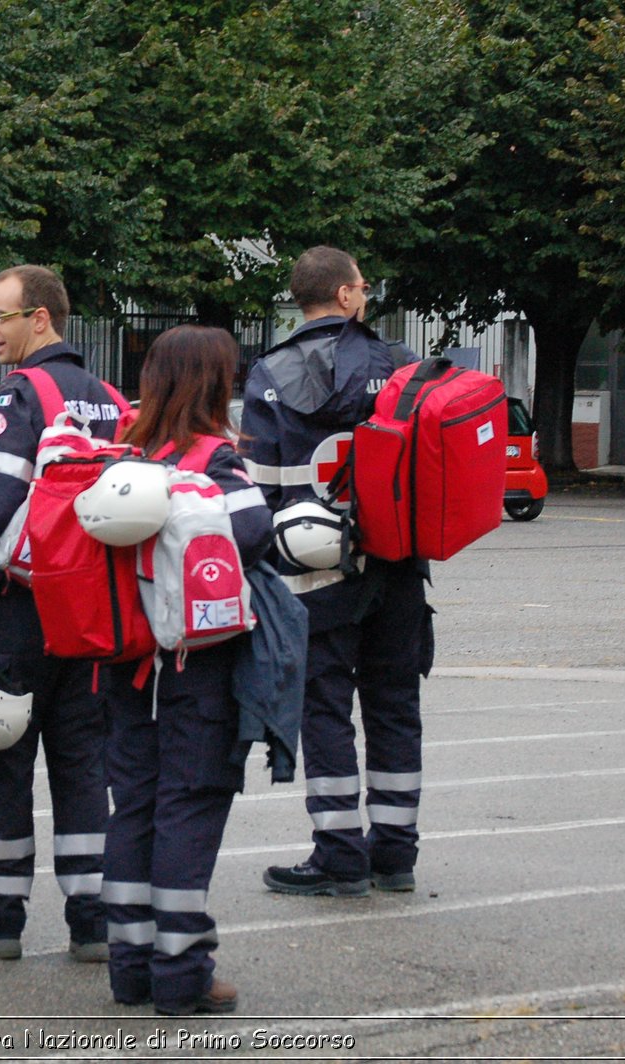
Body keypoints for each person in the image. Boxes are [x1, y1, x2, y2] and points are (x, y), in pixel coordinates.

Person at [0, 264, 124, 962]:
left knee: (7, 760)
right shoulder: (109, 397)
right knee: (84, 765)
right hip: (90, 613)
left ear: (38, 317)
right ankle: (94, 919)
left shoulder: (22, 394)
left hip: (20, 608)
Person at [239, 245, 431, 897]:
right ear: (345, 296)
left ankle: (339, 853)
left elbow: (259, 485)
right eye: (362, 286)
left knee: (323, 712)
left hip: (314, 575)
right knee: (395, 706)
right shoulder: (401, 365)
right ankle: (397, 853)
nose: (367, 294)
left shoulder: (268, 372)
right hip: (400, 566)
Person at [101, 326, 273, 1015]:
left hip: (124, 665)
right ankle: (182, 974)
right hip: (196, 666)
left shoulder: (122, 455)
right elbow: (257, 537)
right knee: (189, 808)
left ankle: (130, 966)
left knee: (134, 808)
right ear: (214, 383)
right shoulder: (215, 460)